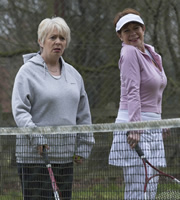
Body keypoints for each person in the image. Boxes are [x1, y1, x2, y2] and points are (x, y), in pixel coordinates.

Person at [12, 17, 95, 200]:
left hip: (64, 157)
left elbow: (83, 114)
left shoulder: (74, 75)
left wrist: (84, 146)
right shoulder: (26, 72)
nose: (58, 42)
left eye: (62, 38)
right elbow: (20, 111)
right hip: (34, 159)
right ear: (41, 41)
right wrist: (37, 138)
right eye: (52, 37)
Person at [108, 8, 168, 200]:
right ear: (120, 35)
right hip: (134, 128)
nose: (133, 33)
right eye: (127, 31)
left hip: (151, 126)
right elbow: (132, 91)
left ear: (143, 28)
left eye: (136, 28)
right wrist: (135, 127)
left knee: (150, 188)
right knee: (138, 191)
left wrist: (158, 121)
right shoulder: (129, 53)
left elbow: (154, 92)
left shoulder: (151, 54)